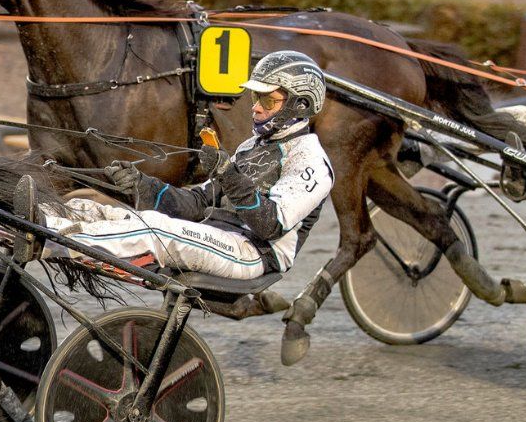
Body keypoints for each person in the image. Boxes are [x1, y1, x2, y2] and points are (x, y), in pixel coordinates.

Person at [29, 51, 335, 365]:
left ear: (300, 105)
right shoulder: (250, 148)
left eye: (268, 101)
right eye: (256, 97)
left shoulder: (311, 161)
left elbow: (269, 225)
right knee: (99, 209)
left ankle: (55, 240)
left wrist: (227, 173)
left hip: (256, 253)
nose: (255, 107)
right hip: (220, 237)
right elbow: (197, 203)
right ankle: (37, 219)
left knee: (157, 230)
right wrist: (142, 185)